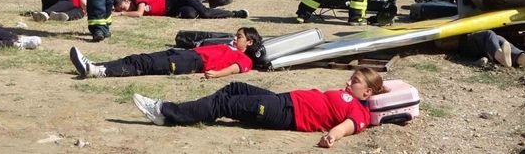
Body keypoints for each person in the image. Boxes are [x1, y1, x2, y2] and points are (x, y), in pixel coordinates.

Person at [131, 67, 386, 149]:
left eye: (355, 81)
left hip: (285, 113)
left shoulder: (360, 112)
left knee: (224, 104)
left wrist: (332, 136)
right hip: (283, 100)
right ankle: (199, 110)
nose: (348, 81)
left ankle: (166, 112)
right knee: (235, 88)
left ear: (368, 92)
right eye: (350, 77)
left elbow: (347, 127)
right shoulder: (350, 97)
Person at [69, 27, 262, 78]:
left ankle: (98, 72)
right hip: (187, 54)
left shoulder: (245, 59)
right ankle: (95, 66)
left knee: (146, 66)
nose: (235, 38)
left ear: (250, 42)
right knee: (139, 58)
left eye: (239, 37)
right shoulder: (229, 46)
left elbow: (236, 69)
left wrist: (218, 74)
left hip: (192, 62)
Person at [436, 30, 525, 68]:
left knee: (501, 40)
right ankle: (499, 56)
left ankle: (522, 58)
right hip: (461, 42)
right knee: (489, 34)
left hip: (469, 37)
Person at [112, 0, 249, 19]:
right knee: (191, 14)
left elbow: (139, 14)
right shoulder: (134, 5)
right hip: (173, 10)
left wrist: (121, 13)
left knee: (205, 13)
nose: (126, 9)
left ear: (127, 0)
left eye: (124, 7)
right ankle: (198, 8)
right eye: (123, 10)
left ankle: (236, 13)